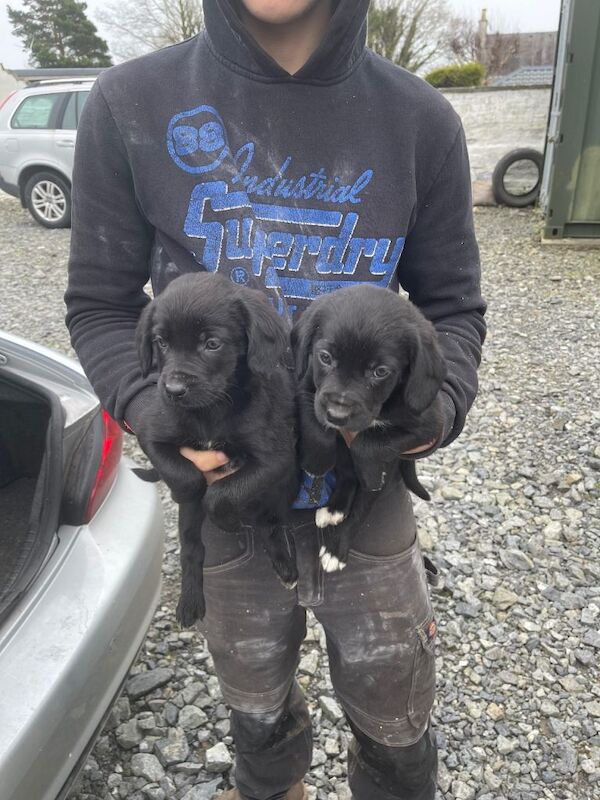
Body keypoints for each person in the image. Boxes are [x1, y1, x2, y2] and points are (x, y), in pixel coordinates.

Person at [65, 1, 486, 798]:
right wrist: (150, 409)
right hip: (228, 484)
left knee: (393, 701)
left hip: (364, 489)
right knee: (253, 697)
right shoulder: (131, 102)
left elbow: (455, 306)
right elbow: (100, 302)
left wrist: (437, 411)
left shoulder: (418, 119)